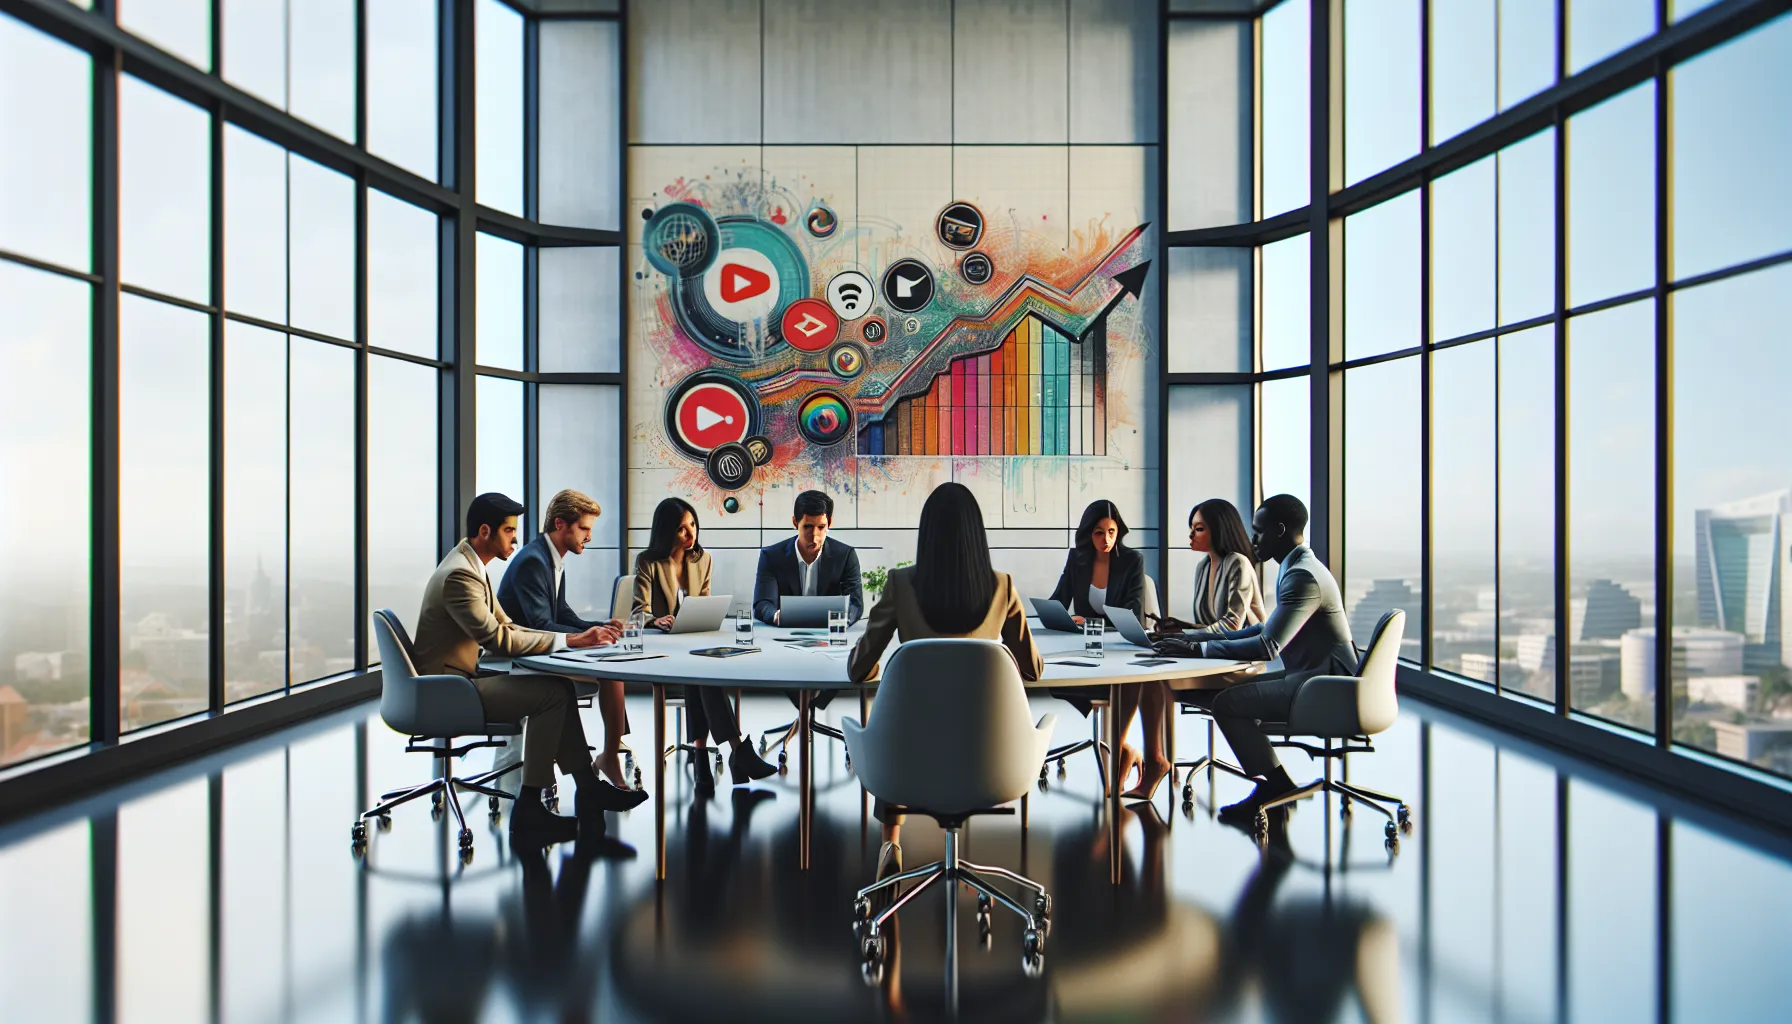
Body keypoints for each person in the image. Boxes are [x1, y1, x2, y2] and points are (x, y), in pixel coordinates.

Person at [846, 482, 1043, 889]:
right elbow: (1033, 670)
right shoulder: (1003, 586)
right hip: (989, 757)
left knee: (902, 722)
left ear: (926, 534)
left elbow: (859, 669)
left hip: (908, 759)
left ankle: (891, 845)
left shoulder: (900, 585)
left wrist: (885, 667)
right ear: (978, 533)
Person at [409, 493, 640, 839]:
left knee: (557, 689)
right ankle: (537, 806)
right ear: (484, 531)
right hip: (446, 691)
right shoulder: (461, 576)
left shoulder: (472, 567)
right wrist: (572, 640)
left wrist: (577, 636)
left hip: (459, 680)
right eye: (508, 530)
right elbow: (497, 639)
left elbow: (510, 626)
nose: (515, 538)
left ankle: (580, 790)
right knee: (552, 693)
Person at [1152, 494, 1356, 820]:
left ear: (1280, 530)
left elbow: (1266, 646)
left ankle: (1275, 786)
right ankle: (1276, 784)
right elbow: (1260, 629)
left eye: (1259, 531)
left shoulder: (1303, 577)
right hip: (1313, 675)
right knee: (1225, 698)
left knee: (1227, 703)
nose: (1252, 539)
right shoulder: (1298, 567)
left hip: (1325, 685)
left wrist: (1197, 647)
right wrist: (1192, 639)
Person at [496, 488, 645, 807]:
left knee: (612, 672)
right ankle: (601, 766)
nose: (589, 537)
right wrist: (586, 636)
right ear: (561, 524)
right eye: (585, 529)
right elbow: (540, 624)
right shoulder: (534, 562)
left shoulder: (550, 557)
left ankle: (608, 758)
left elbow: (559, 612)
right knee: (606, 673)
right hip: (520, 659)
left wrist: (597, 628)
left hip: (538, 650)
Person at [1122, 497, 1264, 801]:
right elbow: (1206, 625)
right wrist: (1177, 626)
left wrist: (1186, 634)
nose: (1191, 535)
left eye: (1198, 529)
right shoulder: (1203, 566)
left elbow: (1232, 626)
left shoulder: (1238, 563)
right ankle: (1156, 760)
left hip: (1240, 661)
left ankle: (1157, 763)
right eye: (1191, 528)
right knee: (1149, 667)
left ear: (1218, 530)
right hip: (1211, 657)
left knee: (1156, 678)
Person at [632, 497, 778, 789]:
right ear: (666, 531)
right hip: (665, 648)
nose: (691, 534)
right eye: (682, 529)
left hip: (696, 641)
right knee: (700, 674)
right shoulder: (648, 561)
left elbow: (705, 602)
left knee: (699, 671)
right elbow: (638, 611)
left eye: (693, 525)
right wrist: (655, 620)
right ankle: (737, 751)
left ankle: (702, 759)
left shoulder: (703, 559)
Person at [1045, 499, 1148, 792]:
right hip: (1085, 646)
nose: (1106, 539)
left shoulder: (1132, 561)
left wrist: (1092, 623)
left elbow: (1134, 614)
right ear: (1088, 533)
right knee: (1057, 676)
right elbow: (1057, 601)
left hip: (1119, 647)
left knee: (1127, 680)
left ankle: (1118, 746)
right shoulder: (1077, 559)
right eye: (1099, 533)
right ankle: (1118, 744)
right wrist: (1062, 616)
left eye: (1112, 532)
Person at [752, 488, 865, 722]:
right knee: (776, 661)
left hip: (830, 641)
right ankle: (807, 713)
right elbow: (762, 603)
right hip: (785, 641)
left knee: (852, 661)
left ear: (829, 523)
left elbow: (855, 604)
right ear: (795, 522)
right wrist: (775, 616)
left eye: (821, 528)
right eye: (807, 527)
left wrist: (843, 619)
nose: (814, 536)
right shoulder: (772, 556)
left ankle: (809, 710)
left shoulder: (845, 556)